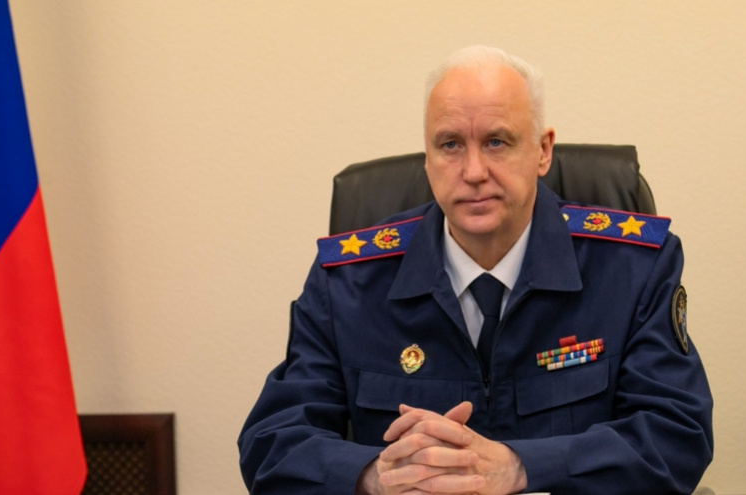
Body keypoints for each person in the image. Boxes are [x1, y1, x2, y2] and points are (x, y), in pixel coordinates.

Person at [238, 45, 713, 495]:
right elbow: (272, 443)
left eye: (496, 142)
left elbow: (677, 435)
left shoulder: (632, 268)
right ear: (427, 158)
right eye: (450, 145)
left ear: (543, 151)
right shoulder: (348, 281)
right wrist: (374, 477)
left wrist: (520, 467)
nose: (473, 171)